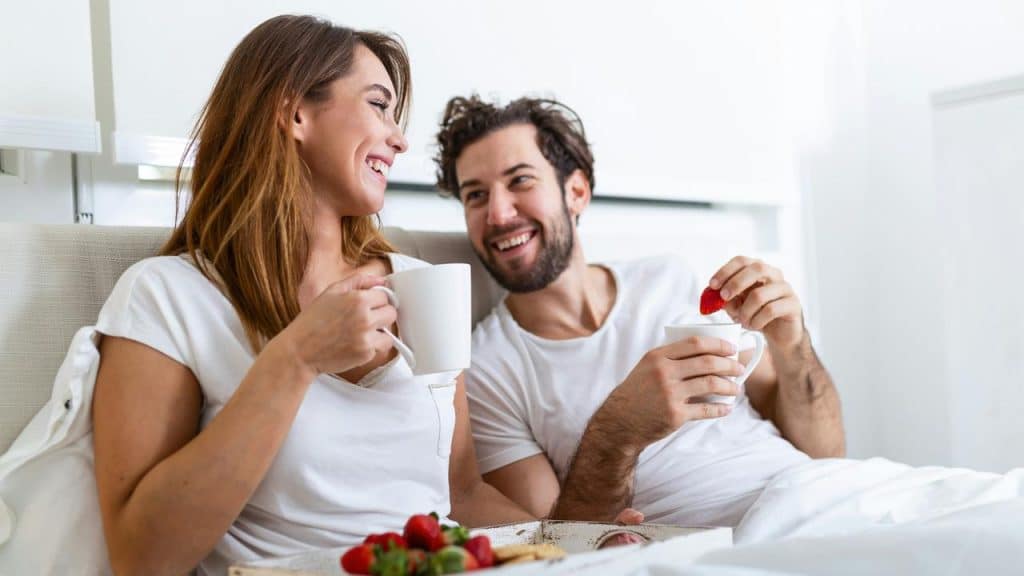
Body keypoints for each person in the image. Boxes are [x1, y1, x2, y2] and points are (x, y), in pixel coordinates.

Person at [90, 17, 530, 576]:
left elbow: (463, 496)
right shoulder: (168, 297)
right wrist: (296, 359)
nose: (398, 139)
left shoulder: (422, 283)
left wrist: (579, 539)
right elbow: (141, 558)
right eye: (378, 105)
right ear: (296, 113)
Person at [432, 95, 845, 527]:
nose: (497, 213)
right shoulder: (487, 368)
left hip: (826, 495)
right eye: (475, 195)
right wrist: (619, 430)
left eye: (519, 181)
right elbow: (556, 544)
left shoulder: (670, 278)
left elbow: (827, 452)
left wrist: (793, 346)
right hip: (729, 541)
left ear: (576, 192)